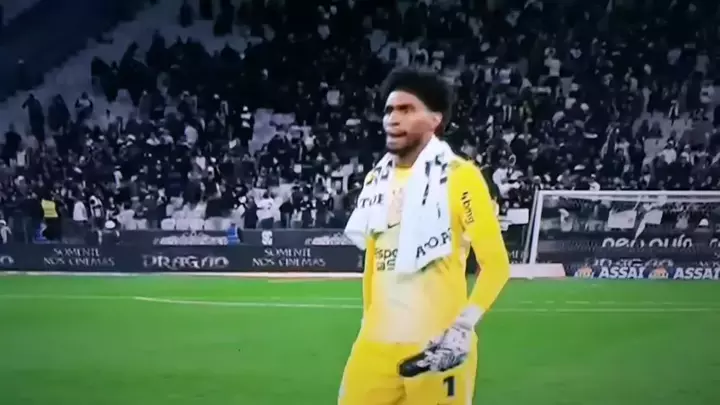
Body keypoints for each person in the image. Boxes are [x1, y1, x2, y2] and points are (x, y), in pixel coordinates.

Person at [339, 67, 511, 405]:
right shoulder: (377, 180)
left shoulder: (461, 177)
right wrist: (367, 320)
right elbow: (373, 261)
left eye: (406, 109)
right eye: (389, 110)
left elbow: (496, 266)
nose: (393, 118)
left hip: (437, 346)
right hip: (374, 345)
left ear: (435, 119)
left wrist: (462, 328)